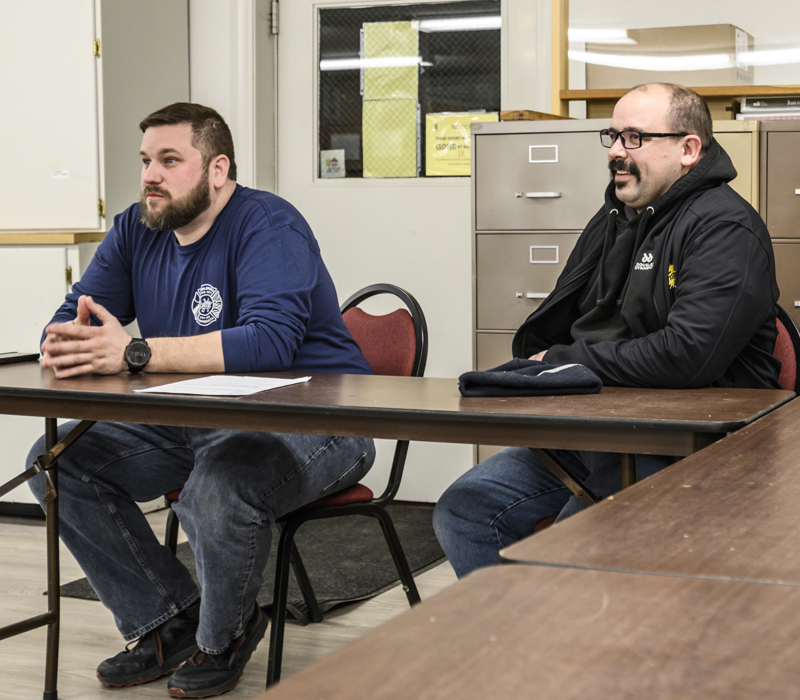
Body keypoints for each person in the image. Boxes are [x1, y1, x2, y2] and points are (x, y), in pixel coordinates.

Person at [28, 103, 376, 698]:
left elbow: (269, 342)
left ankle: (227, 635)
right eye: (144, 162)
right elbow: (68, 323)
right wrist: (67, 345)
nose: (150, 176)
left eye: (169, 160)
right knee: (59, 459)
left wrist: (133, 354)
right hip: (196, 420)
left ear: (217, 169)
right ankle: (168, 622)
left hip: (320, 422)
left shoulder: (269, 224)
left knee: (218, 485)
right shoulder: (135, 229)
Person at [434, 83, 781, 578]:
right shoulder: (615, 218)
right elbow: (563, 322)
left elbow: (689, 356)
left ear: (688, 149)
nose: (617, 152)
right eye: (613, 136)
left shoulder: (724, 227)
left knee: (576, 553)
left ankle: (573, 644)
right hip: (597, 427)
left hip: (689, 446)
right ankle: (523, 647)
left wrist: (566, 363)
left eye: (635, 137)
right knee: (466, 510)